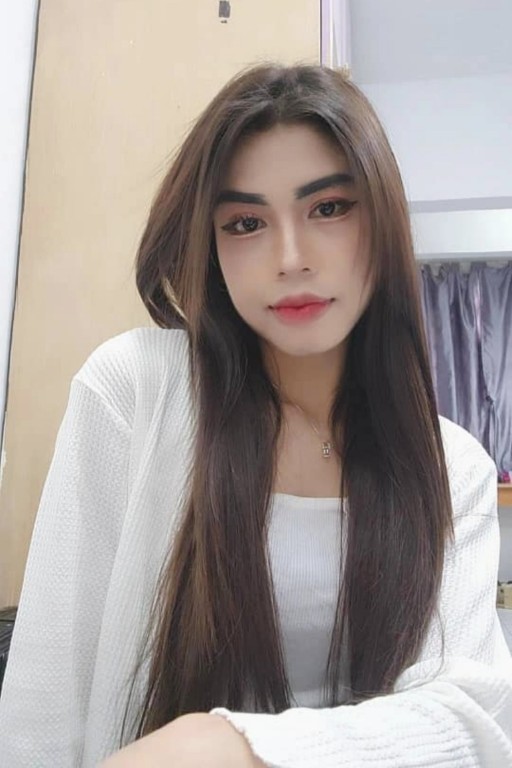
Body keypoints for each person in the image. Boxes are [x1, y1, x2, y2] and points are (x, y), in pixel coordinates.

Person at [0, 63, 511, 768]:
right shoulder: (134, 392)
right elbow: (42, 709)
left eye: (329, 208)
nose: (290, 259)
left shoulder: (452, 467)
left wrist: (236, 746)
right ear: (211, 248)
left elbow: (474, 721)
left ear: (384, 221)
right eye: (245, 223)